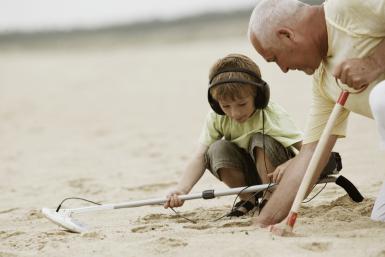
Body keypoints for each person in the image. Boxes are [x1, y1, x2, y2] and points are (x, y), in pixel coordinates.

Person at [248, 0, 385, 226]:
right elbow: (310, 156)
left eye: (275, 59)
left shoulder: (347, 6)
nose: (282, 70)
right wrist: (263, 223)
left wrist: (375, 62)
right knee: (380, 220)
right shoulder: (323, 82)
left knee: (381, 96)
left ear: (287, 35)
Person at [163, 53, 303, 216]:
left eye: (242, 104)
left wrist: (290, 165)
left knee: (260, 140)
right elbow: (199, 156)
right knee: (216, 148)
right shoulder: (217, 117)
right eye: (226, 106)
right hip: (249, 175)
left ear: (259, 96)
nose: (235, 113)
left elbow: (311, 149)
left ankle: (271, 197)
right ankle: (247, 199)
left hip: (279, 175)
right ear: (216, 104)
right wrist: (182, 189)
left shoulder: (272, 115)